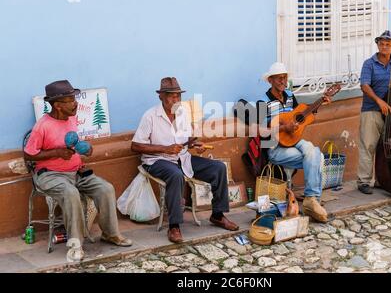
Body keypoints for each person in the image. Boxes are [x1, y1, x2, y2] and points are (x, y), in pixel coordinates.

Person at [24, 80, 132, 262]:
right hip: (50, 175)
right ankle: (75, 244)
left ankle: (110, 234)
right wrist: (57, 153)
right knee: (71, 193)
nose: (76, 103)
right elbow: (28, 155)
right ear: (58, 105)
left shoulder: (72, 119)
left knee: (106, 189)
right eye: (70, 100)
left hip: (76, 171)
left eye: (74, 99)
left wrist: (85, 150)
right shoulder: (42, 126)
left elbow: (73, 143)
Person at [131, 77, 239, 244]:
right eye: (171, 96)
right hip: (157, 160)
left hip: (182, 157)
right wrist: (164, 149)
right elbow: (136, 146)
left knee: (218, 168)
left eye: (178, 96)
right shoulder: (150, 116)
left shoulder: (182, 113)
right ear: (161, 96)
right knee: (175, 175)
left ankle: (217, 215)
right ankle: (174, 226)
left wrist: (195, 144)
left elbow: (186, 139)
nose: (176, 100)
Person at [259, 62, 330, 223]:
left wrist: (318, 105)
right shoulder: (263, 102)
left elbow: (301, 115)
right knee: (316, 157)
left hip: (294, 140)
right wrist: (284, 126)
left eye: (285, 78)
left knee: (313, 151)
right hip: (275, 147)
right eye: (279, 78)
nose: (283, 81)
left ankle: (311, 198)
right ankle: (313, 201)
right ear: (270, 80)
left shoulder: (290, 96)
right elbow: (262, 132)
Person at [357, 30, 391, 195]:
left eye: (388, 44)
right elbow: (364, 85)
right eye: (382, 43)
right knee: (368, 145)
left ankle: (383, 179)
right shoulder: (369, 63)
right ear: (378, 44)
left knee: (388, 147)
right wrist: (379, 102)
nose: (384, 46)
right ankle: (364, 181)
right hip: (372, 110)